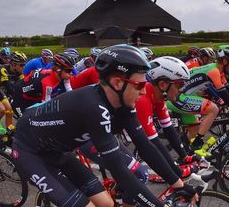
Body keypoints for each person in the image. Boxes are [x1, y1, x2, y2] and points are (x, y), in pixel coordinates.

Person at [12, 44, 197, 207]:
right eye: (139, 85)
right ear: (117, 83)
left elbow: (145, 145)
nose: (143, 92)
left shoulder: (124, 103)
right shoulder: (93, 108)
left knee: (107, 204)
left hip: (59, 151)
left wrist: (179, 185)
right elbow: (119, 171)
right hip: (31, 152)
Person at [168, 45, 229, 153]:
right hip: (176, 97)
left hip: (181, 97)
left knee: (195, 129)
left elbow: (228, 91)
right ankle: (197, 144)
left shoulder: (217, 70)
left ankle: (181, 152)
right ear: (225, 61)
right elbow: (223, 94)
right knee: (213, 109)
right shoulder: (214, 71)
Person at [136, 56, 201, 173]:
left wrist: (185, 156)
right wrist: (177, 170)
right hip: (102, 138)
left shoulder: (159, 97)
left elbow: (169, 129)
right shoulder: (143, 100)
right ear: (162, 84)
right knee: (139, 176)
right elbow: (154, 143)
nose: (181, 90)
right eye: (180, 85)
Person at [0, 51, 27, 127]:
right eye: (21, 65)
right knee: (1, 110)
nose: (24, 67)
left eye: (24, 65)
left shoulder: (19, 72)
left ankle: (9, 130)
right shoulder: (3, 70)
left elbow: (22, 86)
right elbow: (9, 88)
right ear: (13, 64)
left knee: (9, 110)